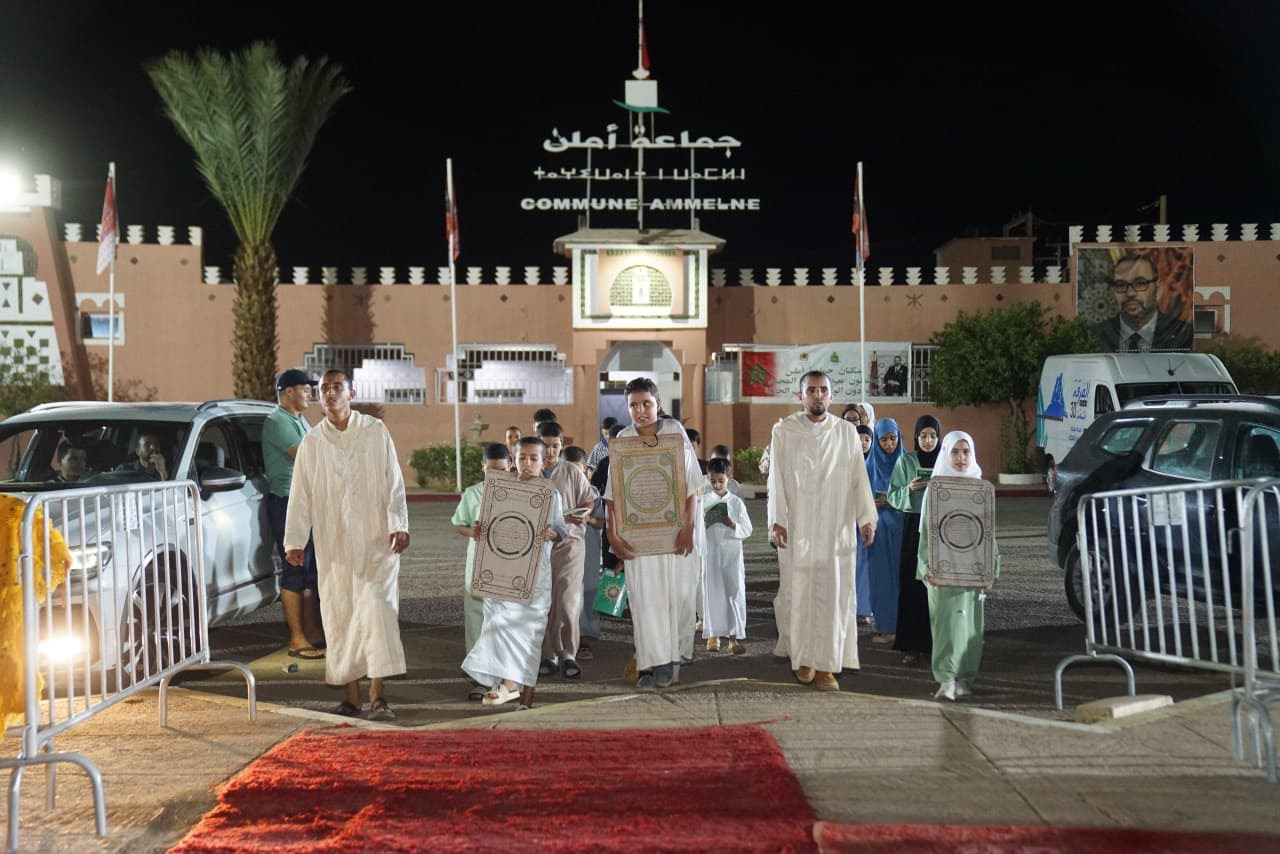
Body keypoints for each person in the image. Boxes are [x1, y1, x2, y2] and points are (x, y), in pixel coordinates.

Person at [284, 367, 410, 722]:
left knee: (378, 614)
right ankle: (351, 698)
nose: (330, 393)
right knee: (341, 616)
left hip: (377, 544)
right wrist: (295, 541)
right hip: (334, 546)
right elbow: (300, 495)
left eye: (337, 387)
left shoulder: (374, 431)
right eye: (324, 388)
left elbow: (393, 481)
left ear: (351, 393)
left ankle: (379, 696)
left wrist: (399, 524)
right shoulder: (313, 442)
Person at [766, 370, 877, 692]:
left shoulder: (846, 433)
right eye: (811, 390)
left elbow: (859, 479)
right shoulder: (784, 431)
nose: (817, 395)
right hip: (797, 529)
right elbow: (776, 479)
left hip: (835, 531)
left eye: (823, 390)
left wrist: (866, 519)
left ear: (831, 395)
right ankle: (804, 659)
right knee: (798, 593)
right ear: (800, 396)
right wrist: (777, 520)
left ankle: (828, 665)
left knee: (833, 596)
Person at [604, 377, 705, 690]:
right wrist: (612, 534)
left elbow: (691, 486)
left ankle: (669, 661)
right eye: (633, 405)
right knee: (645, 599)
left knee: (676, 598)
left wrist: (688, 528)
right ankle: (649, 665)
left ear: (658, 403)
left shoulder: (674, 432)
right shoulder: (624, 439)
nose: (640, 410)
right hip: (638, 536)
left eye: (646, 403)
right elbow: (613, 495)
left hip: (674, 534)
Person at [462, 436, 567, 706]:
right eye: (522, 458)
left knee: (528, 634)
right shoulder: (499, 489)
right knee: (498, 628)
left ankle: (522, 693)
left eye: (533, 458)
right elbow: (488, 526)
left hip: (534, 578)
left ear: (544, 462)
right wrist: (479, 530)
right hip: (501, 573)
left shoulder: (550, 493)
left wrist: (552, 534)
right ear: (513, 460)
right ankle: (506, 685)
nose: (527, 463)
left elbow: (562, 531)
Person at [918, 430, 999, 701]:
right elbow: (926, 533)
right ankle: (946, 679)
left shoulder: (979, 488)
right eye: (954, 451)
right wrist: (927, 568)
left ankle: (965, 677)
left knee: (971, 627)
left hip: (972, 569)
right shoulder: (936, 490)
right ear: (945, 454)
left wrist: (991, 568)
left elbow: (988, 533)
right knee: (946, 626)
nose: (961, 458)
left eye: (966, 452)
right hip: (943, 570)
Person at [264, 368, 325, 660]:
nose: (310, 395)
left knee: (311, 569)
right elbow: (304, 454)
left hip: (304, 501)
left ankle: (312, 631)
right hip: (287, 502)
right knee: (295, 565)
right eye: (305, 389)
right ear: (289, 392)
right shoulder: (277, 421)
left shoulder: (299, 419)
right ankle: (296, 639)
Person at [451, 442, 514, 697]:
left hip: (507, 563)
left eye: (502, 470)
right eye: (491, 471)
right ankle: (479, 678)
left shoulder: (519, 493)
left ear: (510, 465)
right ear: (482, 467)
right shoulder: (472, 493)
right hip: (478, 561)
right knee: (477, 618)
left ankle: (504, 676)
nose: (496, 475)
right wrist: (473, 532)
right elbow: (459, 524)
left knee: (504, 619)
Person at [536, 425, 598, 679]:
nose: (550, 451)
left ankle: (568, 654)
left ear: (562, 445)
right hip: (538, 547)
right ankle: (547, 655)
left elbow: (589, 500)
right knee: (543, 602)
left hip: (570, 544)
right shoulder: (529, 471)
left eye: (555, 445)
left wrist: (584, 512)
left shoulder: (571, 471)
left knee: (567, 601)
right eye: (545, 445)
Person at [888, 415, 941, 665]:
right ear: (916, 437)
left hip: (939, 527)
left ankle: (937, 644)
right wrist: (908, 489)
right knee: (912, 583)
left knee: (936, 585)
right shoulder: (906, 461)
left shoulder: (945, 461)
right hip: (913, 526)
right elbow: (893, 495)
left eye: (933, 436)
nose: (928, 441)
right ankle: (911, 645)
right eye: (923, 436)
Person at [701, 458, 752, 654]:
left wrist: (733, 525)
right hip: (711, 554)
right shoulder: (703, 501)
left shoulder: (736, 503)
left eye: (721, 481)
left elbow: (747, 529)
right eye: (713, 481)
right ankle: (713, 635)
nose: (717, 485)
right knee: (712, 592)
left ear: (729, 479)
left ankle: (733, 638)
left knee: (734, 593)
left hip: (732, 555)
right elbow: (695, 529)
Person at [1092, 253, 1193, 352]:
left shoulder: (1184, 334)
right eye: (1121, 285)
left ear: (1157, 287)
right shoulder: (1094, 336)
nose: (1130, 293)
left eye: (1140, 283)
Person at [867, 418, 905, 646]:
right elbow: (858, 496)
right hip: (878, 532)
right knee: (881, 579)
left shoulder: (907, 463)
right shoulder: (868, 466)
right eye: (884, 440)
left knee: (904, 578)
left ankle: (905, 627)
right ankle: (887, 627)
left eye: (893, 438)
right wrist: (871, 503)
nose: (889, 444)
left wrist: (891, 500)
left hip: (902, 529)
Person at [854, 424, 875, 626]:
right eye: (859, 439)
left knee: (866, 566)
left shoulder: (876, 463)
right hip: (849, 521)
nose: (863, 443)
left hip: (869, 522)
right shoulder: (846, 463)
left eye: (867, 439)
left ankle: (864, 608)